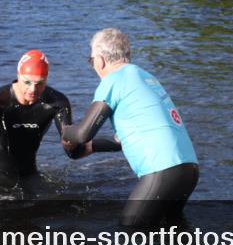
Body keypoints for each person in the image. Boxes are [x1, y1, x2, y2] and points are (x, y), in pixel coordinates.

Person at [61, 28, 199, 229]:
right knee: (172, 231)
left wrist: (65, 131)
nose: (93, 66)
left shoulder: (114, 80)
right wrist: (93, 147)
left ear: (100, 60)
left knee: (131, 230)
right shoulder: (144, 77)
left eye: (91, 61)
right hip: (188, 169)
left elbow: (82, 133)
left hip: (162, 171)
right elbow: (122, 140)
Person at [0, 50, 76, 194]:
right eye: (27, 82)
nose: (33, 89)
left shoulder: (57, 103)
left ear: (47, 79)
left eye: (39, 83)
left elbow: (73, 151)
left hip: (29, 175)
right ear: (18, 75)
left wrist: (76, 143)